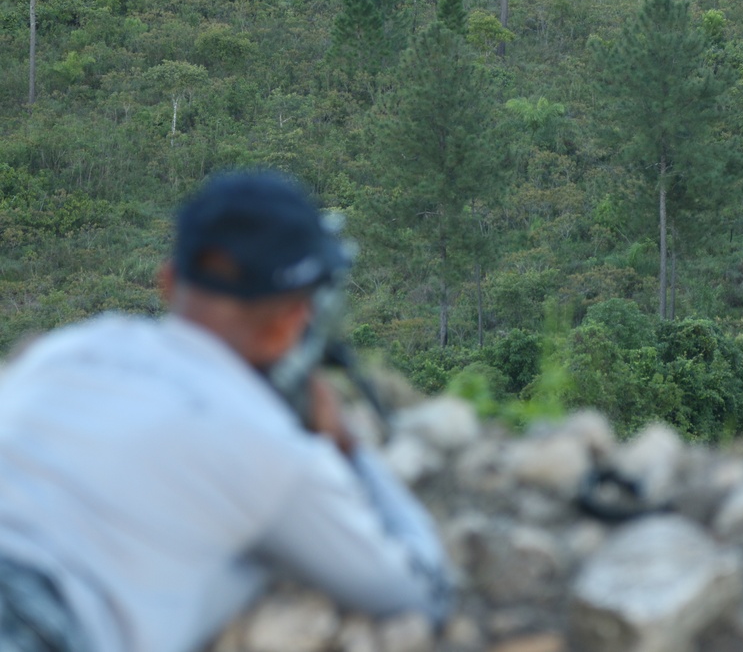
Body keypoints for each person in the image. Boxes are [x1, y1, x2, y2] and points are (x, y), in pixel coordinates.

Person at [0, 170, 452, 652]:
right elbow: (420, 591)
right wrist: (346, 447)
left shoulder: (67, 351)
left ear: (168, 281)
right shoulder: (271, 449)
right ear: (295, 319)